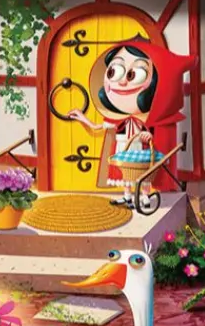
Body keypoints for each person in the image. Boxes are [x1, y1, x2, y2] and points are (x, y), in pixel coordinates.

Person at [59, 40, 192, 208]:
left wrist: (148, 135)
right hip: (123, 146)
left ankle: (144, 196)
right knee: (124, 172)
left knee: (143, 171)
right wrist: (82, 117)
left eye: (134, 75)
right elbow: (98, 127)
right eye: (114, 72)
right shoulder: (118, 119)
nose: (122, 82)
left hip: (140, 148)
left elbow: (154, 133)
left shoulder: (147, 118)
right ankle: (127, 195)